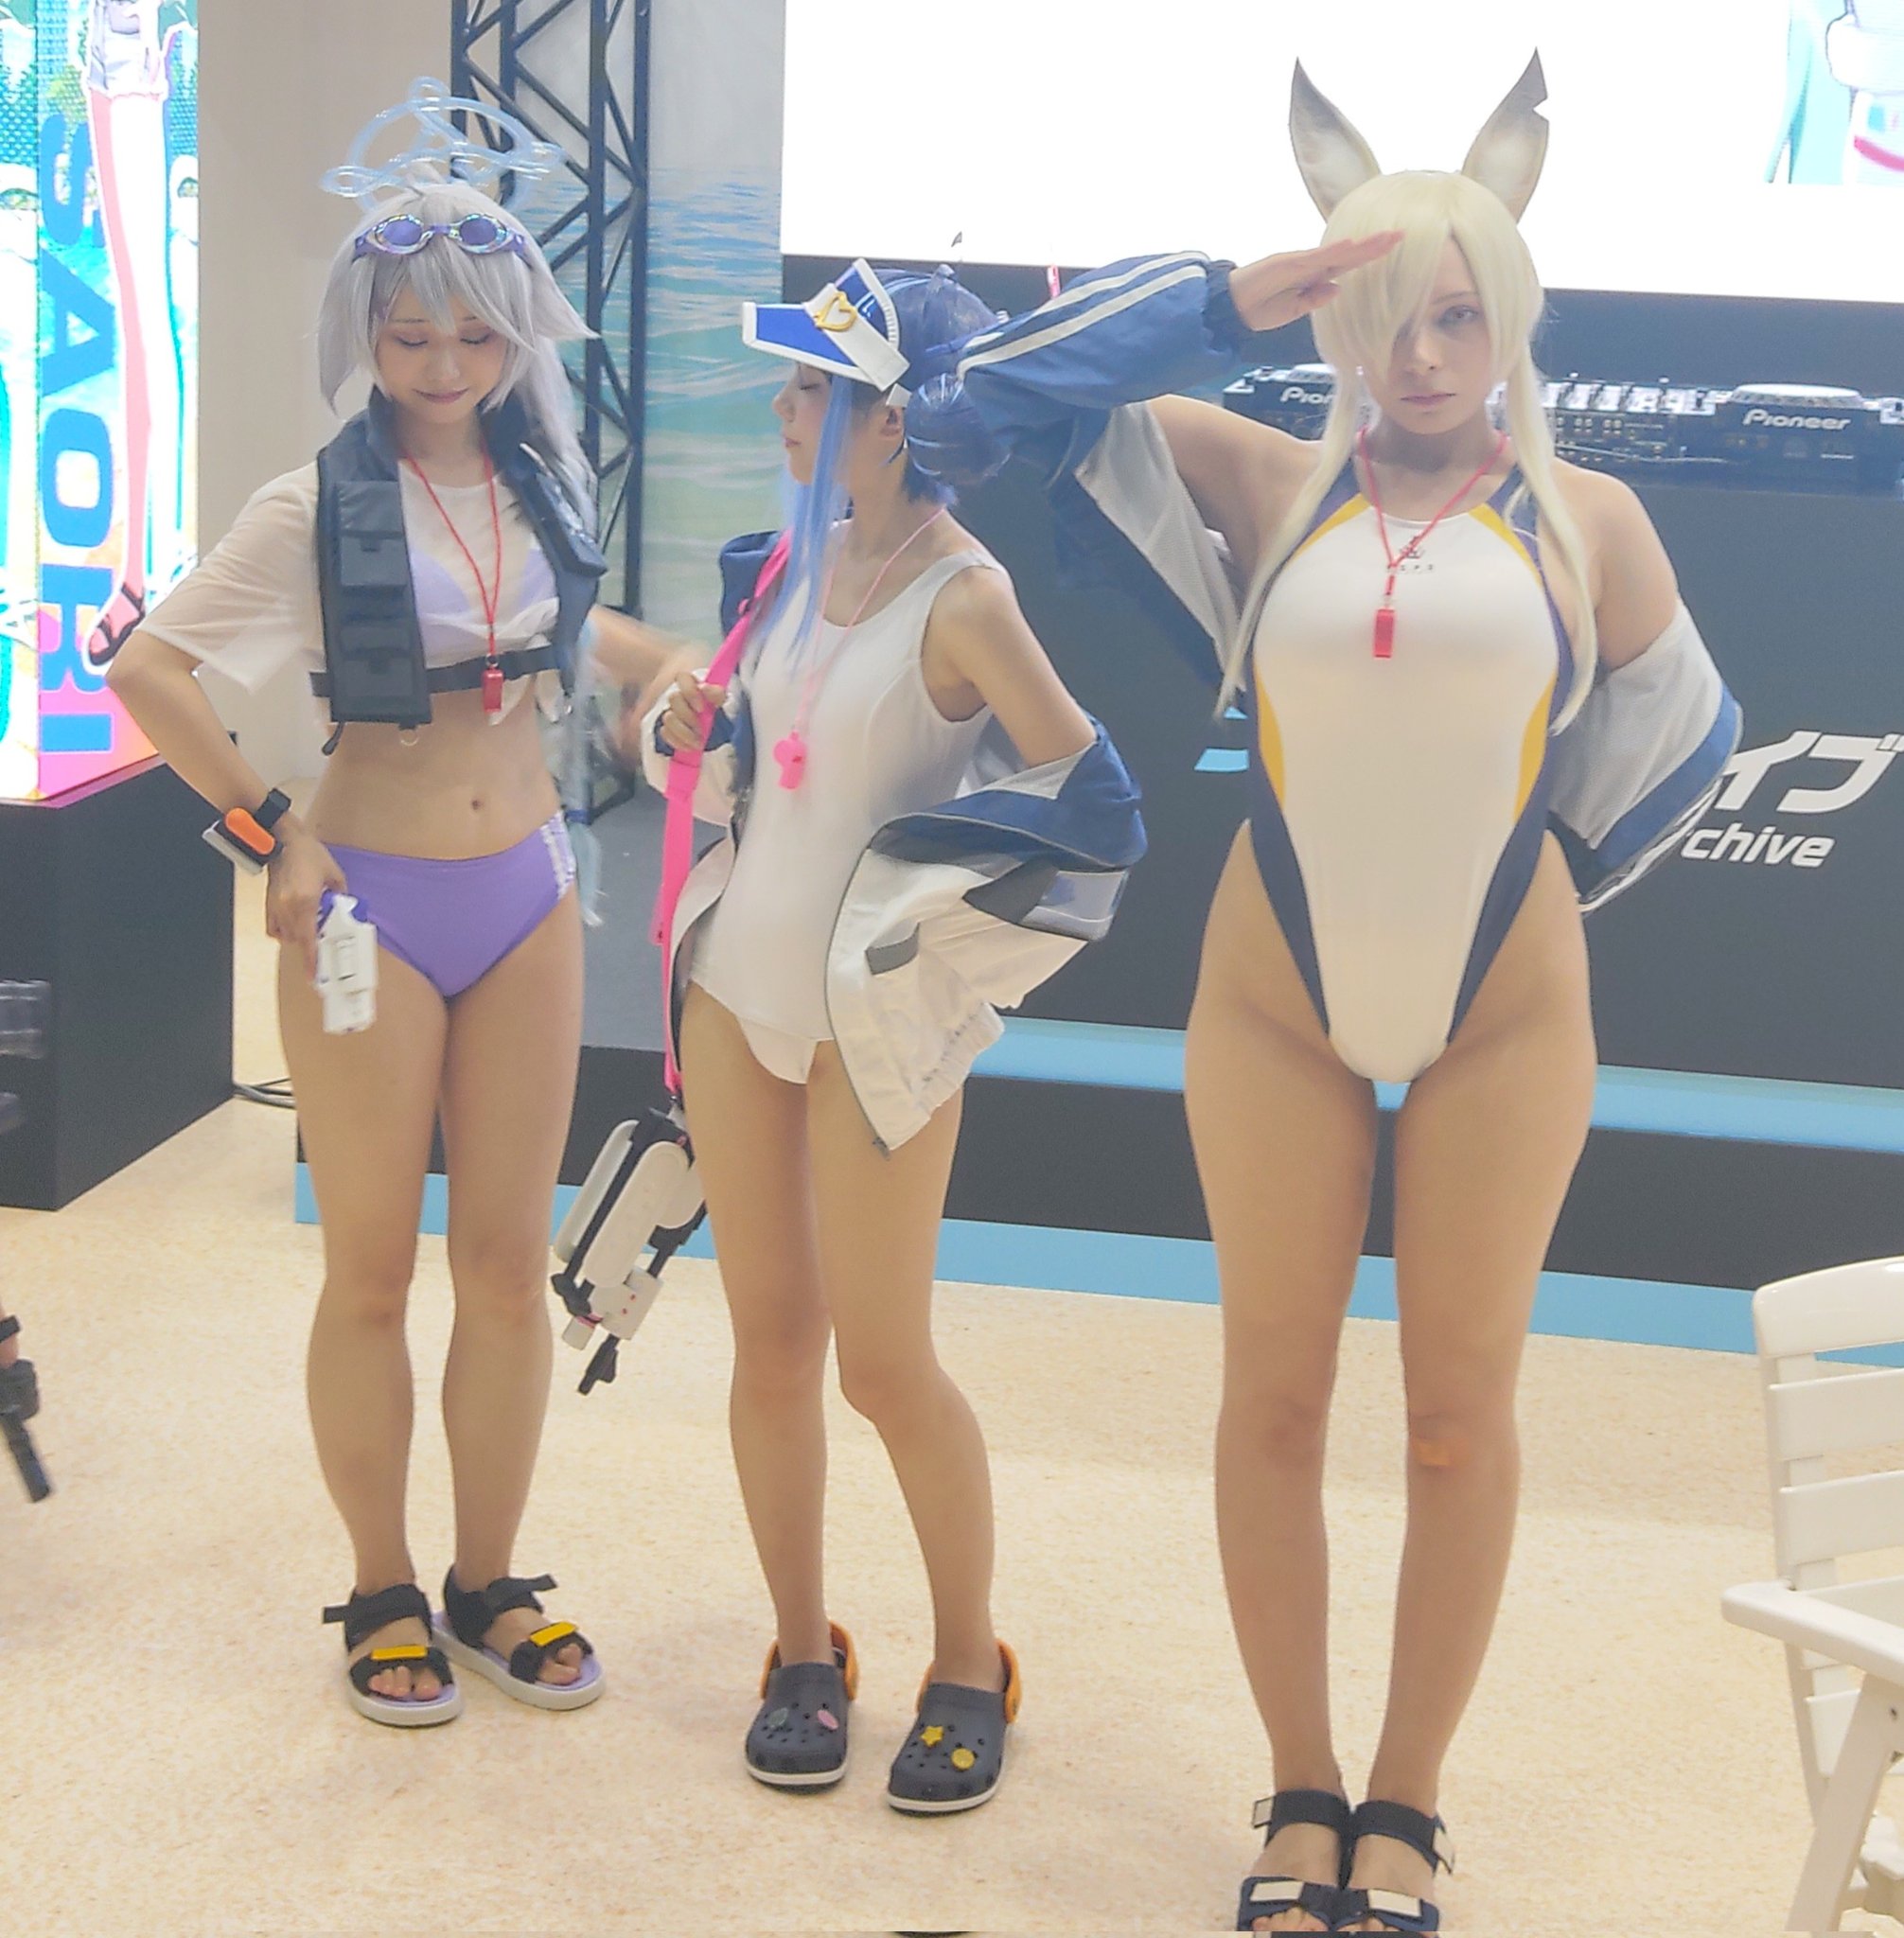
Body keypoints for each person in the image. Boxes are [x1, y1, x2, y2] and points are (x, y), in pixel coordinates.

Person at [953, 56, 1737, 1930]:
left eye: (1457, 313)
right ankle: (1299, 1791)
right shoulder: (1262, 474)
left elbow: (1679, 743)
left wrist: (1538, 881)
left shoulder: (1593, 519)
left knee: (1457, 1416)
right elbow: (994, 395)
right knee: (1276, 1402)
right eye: (1383, 313)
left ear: (1511, 313)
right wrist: (1232, 301)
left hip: (1502, 1002)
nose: (1421, 353)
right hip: (1276, 986)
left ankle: (1407, 1802)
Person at [108, 163, 690, 1726]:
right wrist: (270, 827)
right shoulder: (307, 505)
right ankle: (380, 1586)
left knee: (503, 1271)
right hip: (366, 897)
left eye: (476, 337)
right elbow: (152, 669)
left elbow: (565, 633)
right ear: (366, 335)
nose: (444, 365)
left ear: (517, 337)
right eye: (413, 335)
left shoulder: (544, 479)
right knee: (369, 1274)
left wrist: (667, 672)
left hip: (525, 895)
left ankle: (488, 1582)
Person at [644, 260, 1144, 1812]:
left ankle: (968, 1661)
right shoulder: (784, 565)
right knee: (771, 1348)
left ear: (892, 421)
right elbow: (755, 763)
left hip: (871, 1034)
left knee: (882, 1366)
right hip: (734, 996)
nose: (783, 408)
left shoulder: (965, 596)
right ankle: (802, 1651)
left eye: (813, 387)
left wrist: (935, 952)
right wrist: (684, 721)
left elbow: (1098, 821)